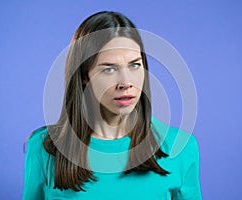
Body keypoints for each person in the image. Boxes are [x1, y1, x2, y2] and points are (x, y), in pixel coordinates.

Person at [22, 11, 202, 200]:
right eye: (109, 69)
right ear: (85, 76)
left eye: (134, 65)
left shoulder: (181, 148)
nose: (126, 82)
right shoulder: (43, 148)